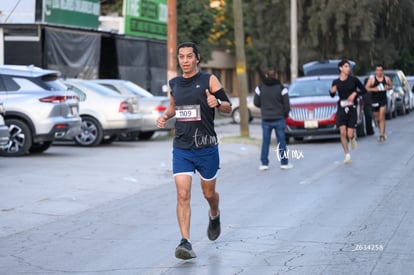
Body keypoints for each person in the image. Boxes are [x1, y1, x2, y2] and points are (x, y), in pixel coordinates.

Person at [157, 42, 232, 260]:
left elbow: (228, 106)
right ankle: (185, 242)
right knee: (182, 194)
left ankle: (214, 214)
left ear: (197, 58)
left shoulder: (209, 80)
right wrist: (165, 116)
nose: (185, 60)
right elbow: (174, 107)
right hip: (182, 147)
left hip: (206, 147)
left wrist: (216, 102)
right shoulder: (175, 83)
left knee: (209, 194)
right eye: (182, 57)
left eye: (190, 56)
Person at [253, 69, 291, 170]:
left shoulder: (260, 88)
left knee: (266, 141)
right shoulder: (282, 88)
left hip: (266, 118)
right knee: (281, 141)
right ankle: (284, 163)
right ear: (276, 76)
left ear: (266, 75)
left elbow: (256, 102)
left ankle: (264, 163)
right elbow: (287, 105)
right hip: (279, 118)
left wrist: (264, 106)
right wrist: (284, 115)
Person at [329, 60, 365, 164]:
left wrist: (355, 94)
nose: (348, 68)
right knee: (342, 132)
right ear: (340, 68)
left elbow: (363, 90)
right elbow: (332, 94)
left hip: (352, 108)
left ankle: (352, 137)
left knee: (349, 134)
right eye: (346, 66)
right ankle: (347, 155)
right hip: (341, 108)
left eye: (348, 67)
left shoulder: (354, 80)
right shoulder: (336, 82)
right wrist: (332, 91)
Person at [365, 64, 392, 142]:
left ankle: (382, 134)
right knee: (377, 119)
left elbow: (391, 86)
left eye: (380, 70)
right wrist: (374, 89)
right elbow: (367, 88)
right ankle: (381, 131)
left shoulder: (386, 79)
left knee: (382, 116)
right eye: (377, 70)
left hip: (383, 100)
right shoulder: (372, 79)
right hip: (375, 100)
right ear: (375, 71)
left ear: (382, 71)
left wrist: (387, 87)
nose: (379, 72)